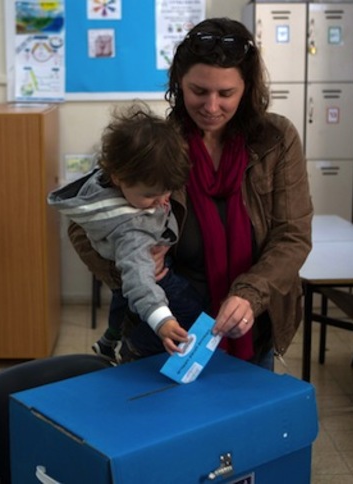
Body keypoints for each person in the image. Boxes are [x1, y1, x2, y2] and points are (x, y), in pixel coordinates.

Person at [69, 18, 313, 369]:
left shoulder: (275, 140)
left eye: (226, 94)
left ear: (247, 89)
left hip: (251, 325)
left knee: (241, 418)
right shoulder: (159, 144)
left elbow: (293, 236)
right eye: (199, 91)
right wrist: (131, 267)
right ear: (178, 84)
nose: (211, 106)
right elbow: (82, 224)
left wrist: (249, 295)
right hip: (171, 327)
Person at [48, 104, 204, 363]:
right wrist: (161, 320)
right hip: (155, 279)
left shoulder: (105, 182)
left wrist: (154, 196)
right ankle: (135, 347)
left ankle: (110, 339)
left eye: (167, 191)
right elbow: (139, 282)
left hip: (133, 278)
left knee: (122, 303)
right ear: (119, 177)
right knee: (192, 312)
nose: (161, 201)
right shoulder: (131, 229)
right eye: (150, 195)